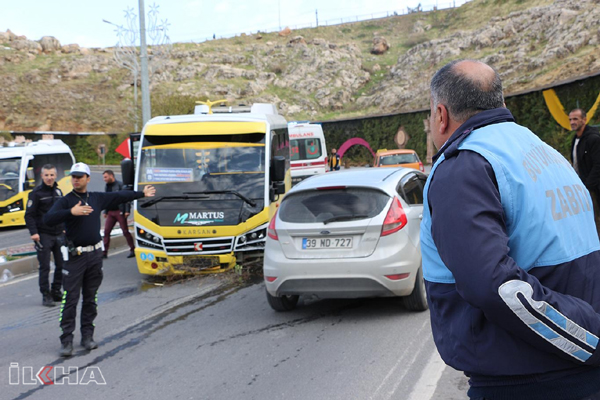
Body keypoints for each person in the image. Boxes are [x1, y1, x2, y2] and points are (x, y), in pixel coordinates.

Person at [421, 59, 600, 400]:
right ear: (501, 103)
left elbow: (494, 286)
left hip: (527, 379)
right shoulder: (542, 151)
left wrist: (591, 338)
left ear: (441, 116)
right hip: (572, 367)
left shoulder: (465, 166)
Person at [44, 162, 155, 357]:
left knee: (90, 298)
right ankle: (67, 340)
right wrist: (71, 212)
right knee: (70, 300)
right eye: (73, 176)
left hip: (94, 255)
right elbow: (47, 219)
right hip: (75, 257)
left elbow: (119, 196)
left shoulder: (95, 198)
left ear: (87, 178)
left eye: (79, 176)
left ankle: (87, 337)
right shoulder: (66, 201)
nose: (76, 179)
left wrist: (141, 194)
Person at [24, 164, 65, 307]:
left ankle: (56, 291)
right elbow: (29, 215)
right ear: (42, 176)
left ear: (55, 176)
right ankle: (46, 295)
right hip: (43, 235)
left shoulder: (59, 192)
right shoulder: (36, 194)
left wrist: (65, 228)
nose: (49, 178)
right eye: (46, 175)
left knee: (61, 264)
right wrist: (34, 233)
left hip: (59, 234)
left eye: (52, 175)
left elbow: (63, 212)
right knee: (45, 267)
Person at [569, 108, 600, 236]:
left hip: (593, 188)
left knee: (595, 219)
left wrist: (588, 186)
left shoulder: (593, 139)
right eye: (570, 119)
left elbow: (598, 165)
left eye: (575, 119)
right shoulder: (576, 139)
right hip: (581, 188)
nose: (572, 122)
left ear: (584, 120)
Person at [102, 170, 135, 258]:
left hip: (119, 211)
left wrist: (127, 210)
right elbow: (107, 199)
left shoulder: (120, 185)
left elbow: (126, 198)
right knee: (106, 232)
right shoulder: (107, 186)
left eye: (105, 177)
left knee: (125, 231)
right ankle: (104, 252)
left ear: (111, 176)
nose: (104, 179)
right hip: (111, 212)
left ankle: (132, 249)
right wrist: (105, 211)